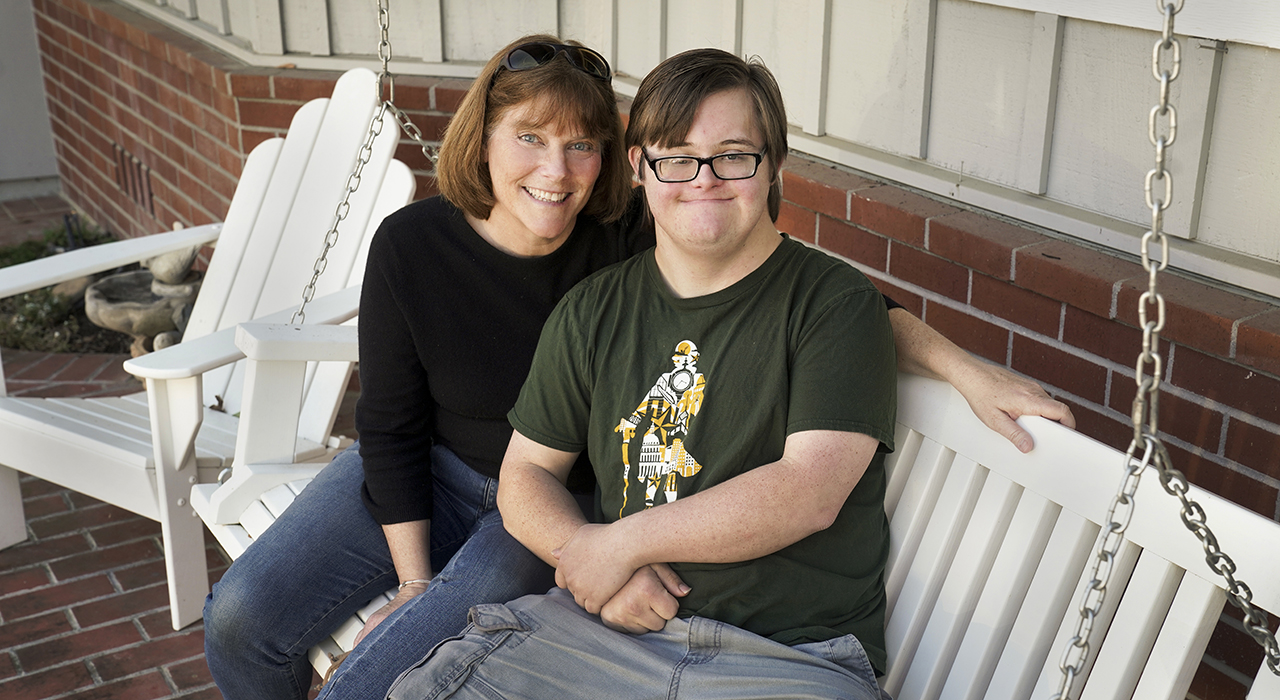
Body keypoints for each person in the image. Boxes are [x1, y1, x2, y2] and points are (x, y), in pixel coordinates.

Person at [202, 35, 1074, 700]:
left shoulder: (667, 243)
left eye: (580, 146)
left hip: (669, 592)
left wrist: (963, 366)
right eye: (531, 139)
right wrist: (423, 583)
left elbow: (823, 343)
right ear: (486, 138)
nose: (556, 171)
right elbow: (408, 433)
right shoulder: (446, 255)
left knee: (412, 659)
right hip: (466, 501)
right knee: (254, 624)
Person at [386, 46, 896, 700]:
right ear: (639, 169)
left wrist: (618, 546)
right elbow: (525, 473)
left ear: (773, 166)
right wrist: (592, 562)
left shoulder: (835, 305)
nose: (704, 178)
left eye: (735, 154)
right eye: (677, 157)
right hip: (602, 638)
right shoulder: (594, 310)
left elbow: (808, 492)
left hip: (786, 661)